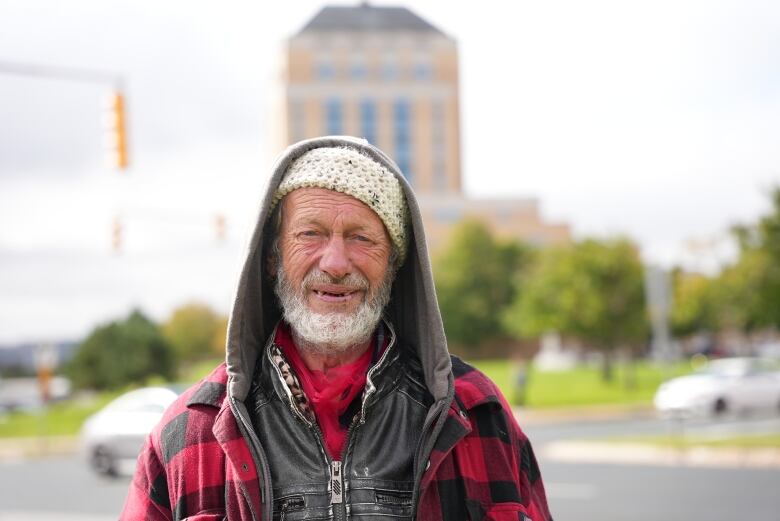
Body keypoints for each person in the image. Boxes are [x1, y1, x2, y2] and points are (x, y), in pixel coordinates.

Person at [121, 136, 552, 521]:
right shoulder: (190, 433)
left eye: (361, 238)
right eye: (311, 234)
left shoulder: (475, 412)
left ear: (394, 264)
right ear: (272, 259)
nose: (336, 263)